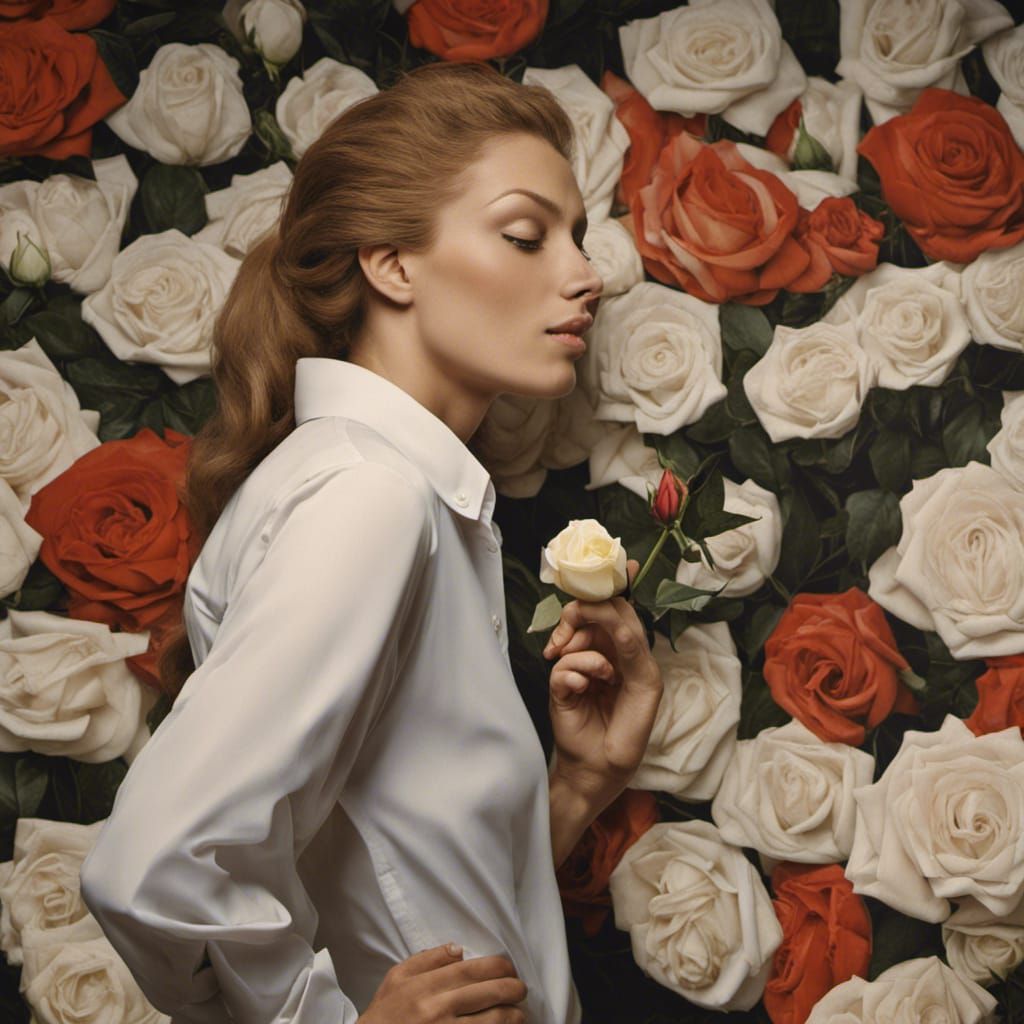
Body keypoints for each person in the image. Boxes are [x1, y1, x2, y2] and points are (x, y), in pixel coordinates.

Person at [78, 60, 663, 1024]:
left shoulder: (399, 491)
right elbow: (151, 867)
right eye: (526, 235)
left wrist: (579, 787)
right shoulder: (370, 495)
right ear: (391, 264)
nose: (585, 275)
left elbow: (404, 893)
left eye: (577, 237)